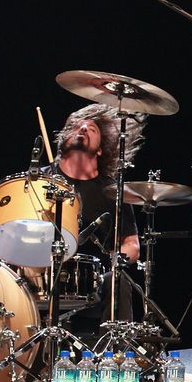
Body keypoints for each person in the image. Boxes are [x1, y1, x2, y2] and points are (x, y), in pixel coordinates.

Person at [41, 103, 144, 332]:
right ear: (63, 141)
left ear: (100, 149)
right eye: (77, 127)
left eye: (92, 129)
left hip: (94, 281)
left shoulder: (113, 191)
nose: (83, 129)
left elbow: (132, 244)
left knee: (118, 281)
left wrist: (115, 262)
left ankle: (115, 356)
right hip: (42, 274)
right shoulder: (41, 181)